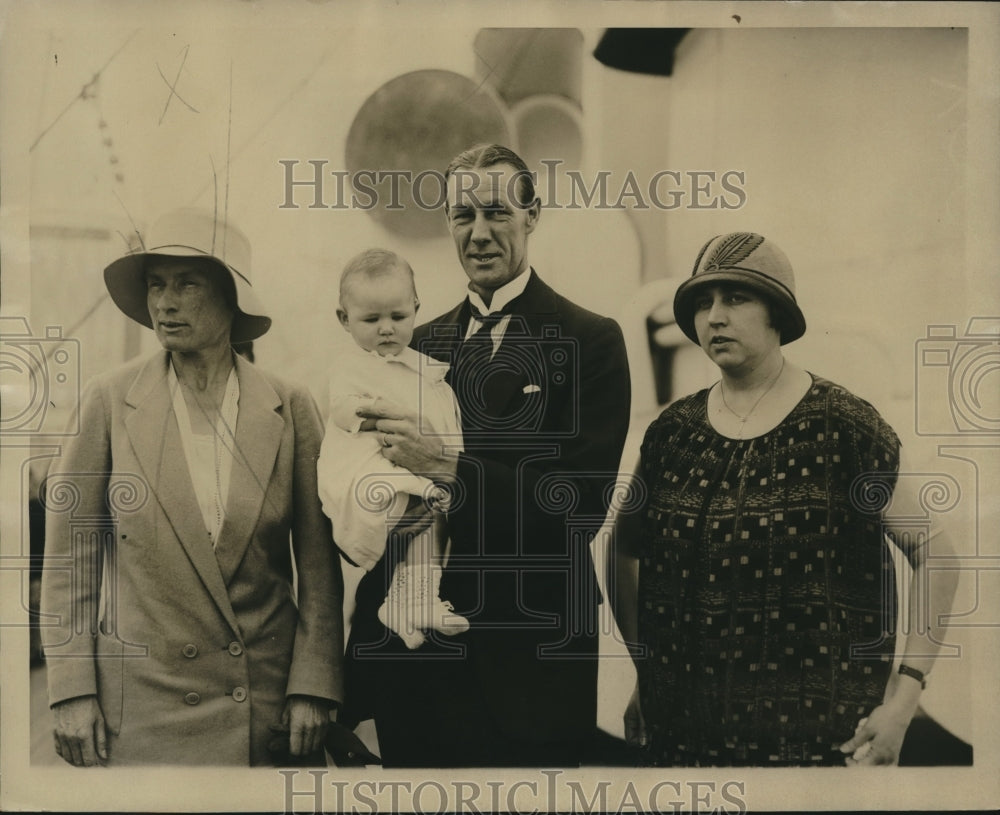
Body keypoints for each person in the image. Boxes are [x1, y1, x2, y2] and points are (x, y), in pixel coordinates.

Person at [609, 232, 958, 767]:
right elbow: (623, 550)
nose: (715, 317)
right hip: (689, 739)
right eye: (702, 303)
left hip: (823, 743)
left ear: (778, 314)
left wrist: (904, 700)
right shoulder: (670, 435)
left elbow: (937, 555)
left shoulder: (842, 425)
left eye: (735, 298)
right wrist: (645, 671)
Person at [341, 144, 631, 766]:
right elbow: (378, 501)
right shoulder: (417, 342)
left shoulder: (590, 340)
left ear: (533, 215)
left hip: (531, 671)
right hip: (414, 669)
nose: (478, 233)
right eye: (461, 216)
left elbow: (577, 505)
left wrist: (443, 466)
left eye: (497, 212)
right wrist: (356, 675)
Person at [40, 208, 345, 766]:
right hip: (145, 711)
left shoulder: (289, 405)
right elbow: (69, 562)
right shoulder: (108, 400)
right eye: (156, 285)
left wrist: (314, 684)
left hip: (265, 707)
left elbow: (319, 568)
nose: (164, 302)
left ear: (232, 297)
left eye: (186, 284)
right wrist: (71, 688)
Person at [317, 248, 469, 649]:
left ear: (416, 308)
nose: (386, 329)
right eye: (372, 319)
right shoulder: (352, 364)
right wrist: (383, 418)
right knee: (422, 510)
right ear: (344, 319)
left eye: (398, 317)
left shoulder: (416, 363)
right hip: (365, 465)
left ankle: (412, 599)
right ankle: (410, 598)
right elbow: (343, 408)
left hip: (403, 467)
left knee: (432, 523)